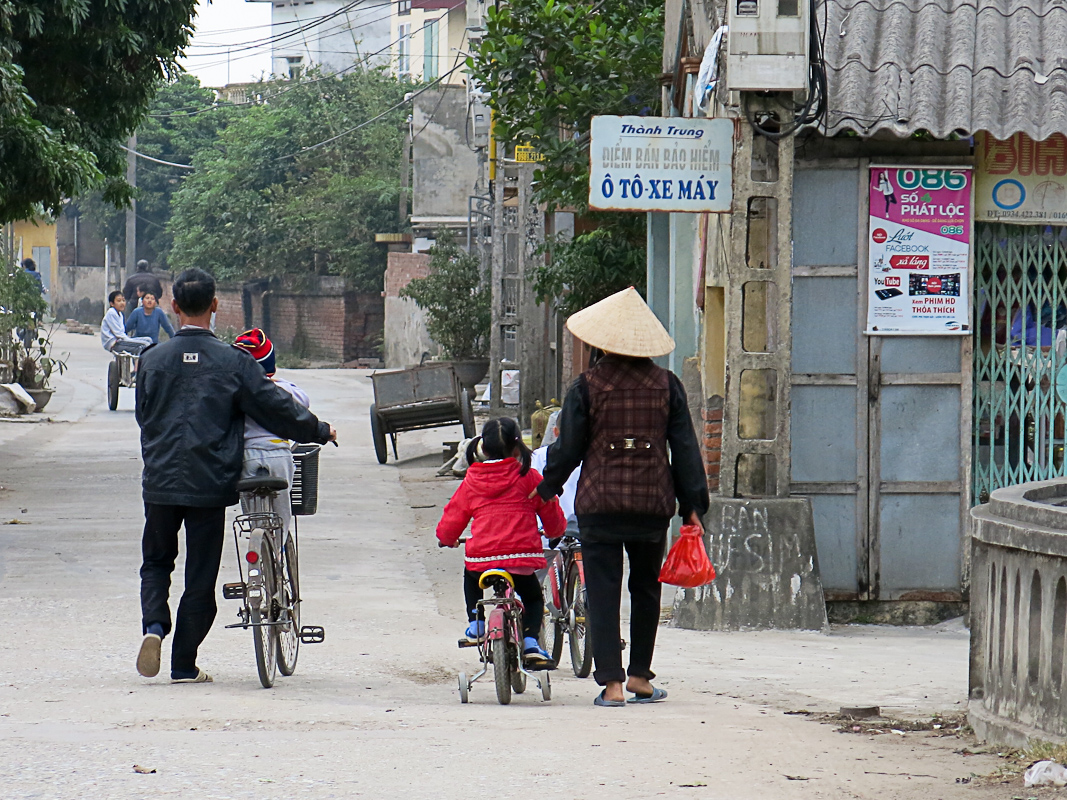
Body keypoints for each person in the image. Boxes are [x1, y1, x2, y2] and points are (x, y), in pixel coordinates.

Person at [135, 268, 336, 684]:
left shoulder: (151, 361)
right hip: (209, 482)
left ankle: (154, 627)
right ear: (215, 305)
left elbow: (144, 417)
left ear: (173, 306)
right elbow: (275, 408)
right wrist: (318, 430)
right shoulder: (233, 362)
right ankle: (183, 664)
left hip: (160, 481)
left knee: (156, 562)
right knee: (200, 576)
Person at [536, 286, 709, 707]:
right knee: (646, 588)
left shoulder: (587, 387)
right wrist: (692, 507)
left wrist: (546, 487)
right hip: (652, 506)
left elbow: (569, 448)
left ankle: (611, 685)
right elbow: (686, 449)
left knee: (602, 589)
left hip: (599, 506)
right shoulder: (667, 386)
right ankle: (640, 679)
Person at [436, 417, 566, 669]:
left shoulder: (472, 479)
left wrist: (447, 539)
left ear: (482, 448)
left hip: (482, 559)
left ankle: (476, 622)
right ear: (517, 447)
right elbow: (550, 512)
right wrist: (555, 531)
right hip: (522, 557)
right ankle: (530, 641)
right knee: (533, 598)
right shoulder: (529, 477)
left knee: (471, 579)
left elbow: (454, 516)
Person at [233, 328, 307, 536]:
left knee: (253, 516)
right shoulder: (282, 390)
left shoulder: (235, 391)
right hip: (278, 456)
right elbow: (303, 402)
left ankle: (256, 549)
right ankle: (278, 550)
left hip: (247, 457)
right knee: (282, 515)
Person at [531, 410, 579, 537]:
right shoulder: (594, 459)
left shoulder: (538, 456)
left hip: (546, 531)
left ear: (555, 432)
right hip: (584, 531)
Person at [101, 291, 152, 355]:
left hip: (121, 340)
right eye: (119, 301)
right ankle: (139, 364)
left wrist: (131, 340)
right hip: (114, 343)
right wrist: (131, 340)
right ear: (112, 303)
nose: (122, 303)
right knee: (144, 345)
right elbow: (118, 334)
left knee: (149, 339)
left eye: (123, 300)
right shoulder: (111, 313)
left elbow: (122, 333)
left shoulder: (120, 314)